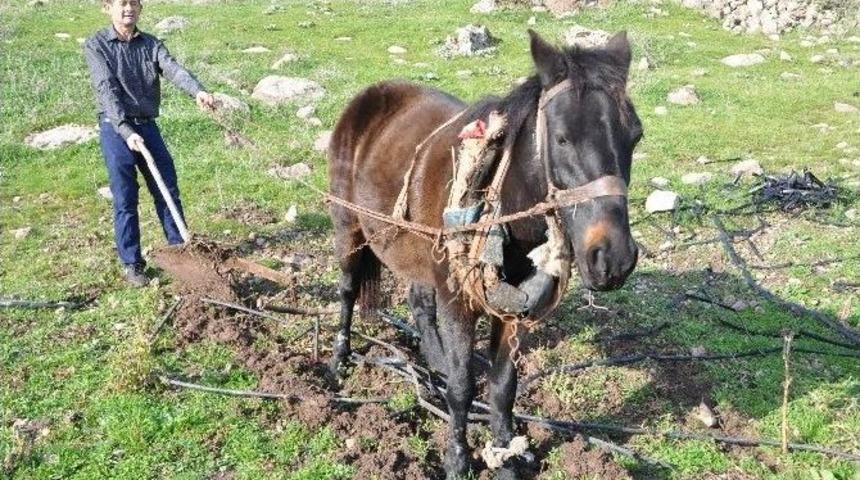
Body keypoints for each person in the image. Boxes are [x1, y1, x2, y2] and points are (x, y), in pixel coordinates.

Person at [84, 0, 216, 287]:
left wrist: (198, 92)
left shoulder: (151, 44)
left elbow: (173, 69)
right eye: (121, 3)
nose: (128, 8)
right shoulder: (97, 44)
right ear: (108, 8)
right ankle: (133, 264)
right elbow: (105, 88)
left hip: (147, 125)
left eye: (133, 3)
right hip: (116, 128)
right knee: (125, 197)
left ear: (140, 8)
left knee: (167, 188)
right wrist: (124, 129)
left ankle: (181, 252)